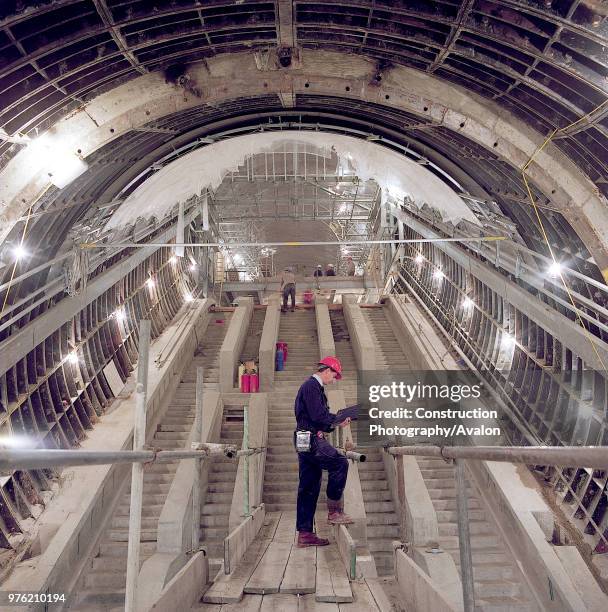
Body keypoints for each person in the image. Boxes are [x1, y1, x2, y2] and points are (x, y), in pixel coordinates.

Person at [294, 356, 354, 547]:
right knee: (340, 462)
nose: (334, 380)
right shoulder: (312, 386)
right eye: (334, 376)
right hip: (309, 437)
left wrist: (336, 421)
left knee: (309, 485)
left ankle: (305, 534)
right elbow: (319, 415)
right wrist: (337, 419)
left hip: (303, 437)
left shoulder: (312, 387)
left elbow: (318, 418)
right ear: (326, 370)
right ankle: (334, 511)